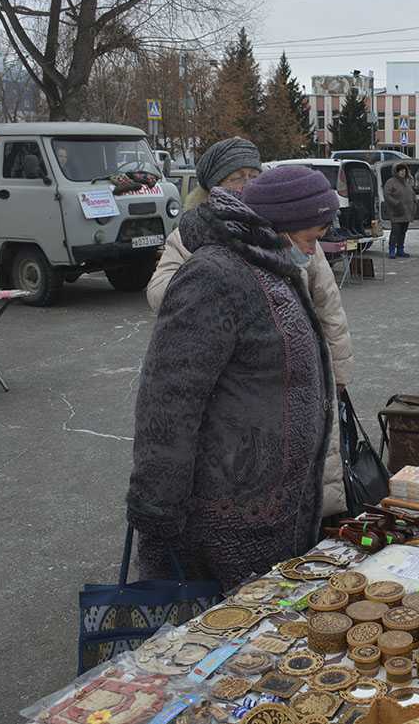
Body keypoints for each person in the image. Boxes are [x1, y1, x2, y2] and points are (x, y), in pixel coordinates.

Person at [127, 166, 340, 588]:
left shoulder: (269, 265)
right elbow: (168, 401)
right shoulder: (215, 276)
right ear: (280, 225)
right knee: (224, 638)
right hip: (228, 520)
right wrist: (158, 512)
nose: (314, 251)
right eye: (312, 238)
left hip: (272, 513)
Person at [148, 138, 355, 522]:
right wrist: (210, 279)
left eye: (251, 176)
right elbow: (159, 293)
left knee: (315, 467)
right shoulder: (193, 235)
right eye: (233, 178)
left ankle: (315, 524)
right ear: (210, 187)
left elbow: (329, 307)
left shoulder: (291, 229)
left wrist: (338, 374)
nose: (244, 185)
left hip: (306, 373)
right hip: (242, 383)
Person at [383, 163, 415, 258]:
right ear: (396, 172)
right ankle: (392, 250)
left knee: (403, 232)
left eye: (404, 171)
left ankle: (400, 249)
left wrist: (414, 201)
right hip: (396, 212)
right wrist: (396, 203)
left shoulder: (407, 182)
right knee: (395, 232)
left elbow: (412, 193)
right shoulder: (391, 182)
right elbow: (387, 195)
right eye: (401, 171)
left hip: (406, 212)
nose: (403, 173)